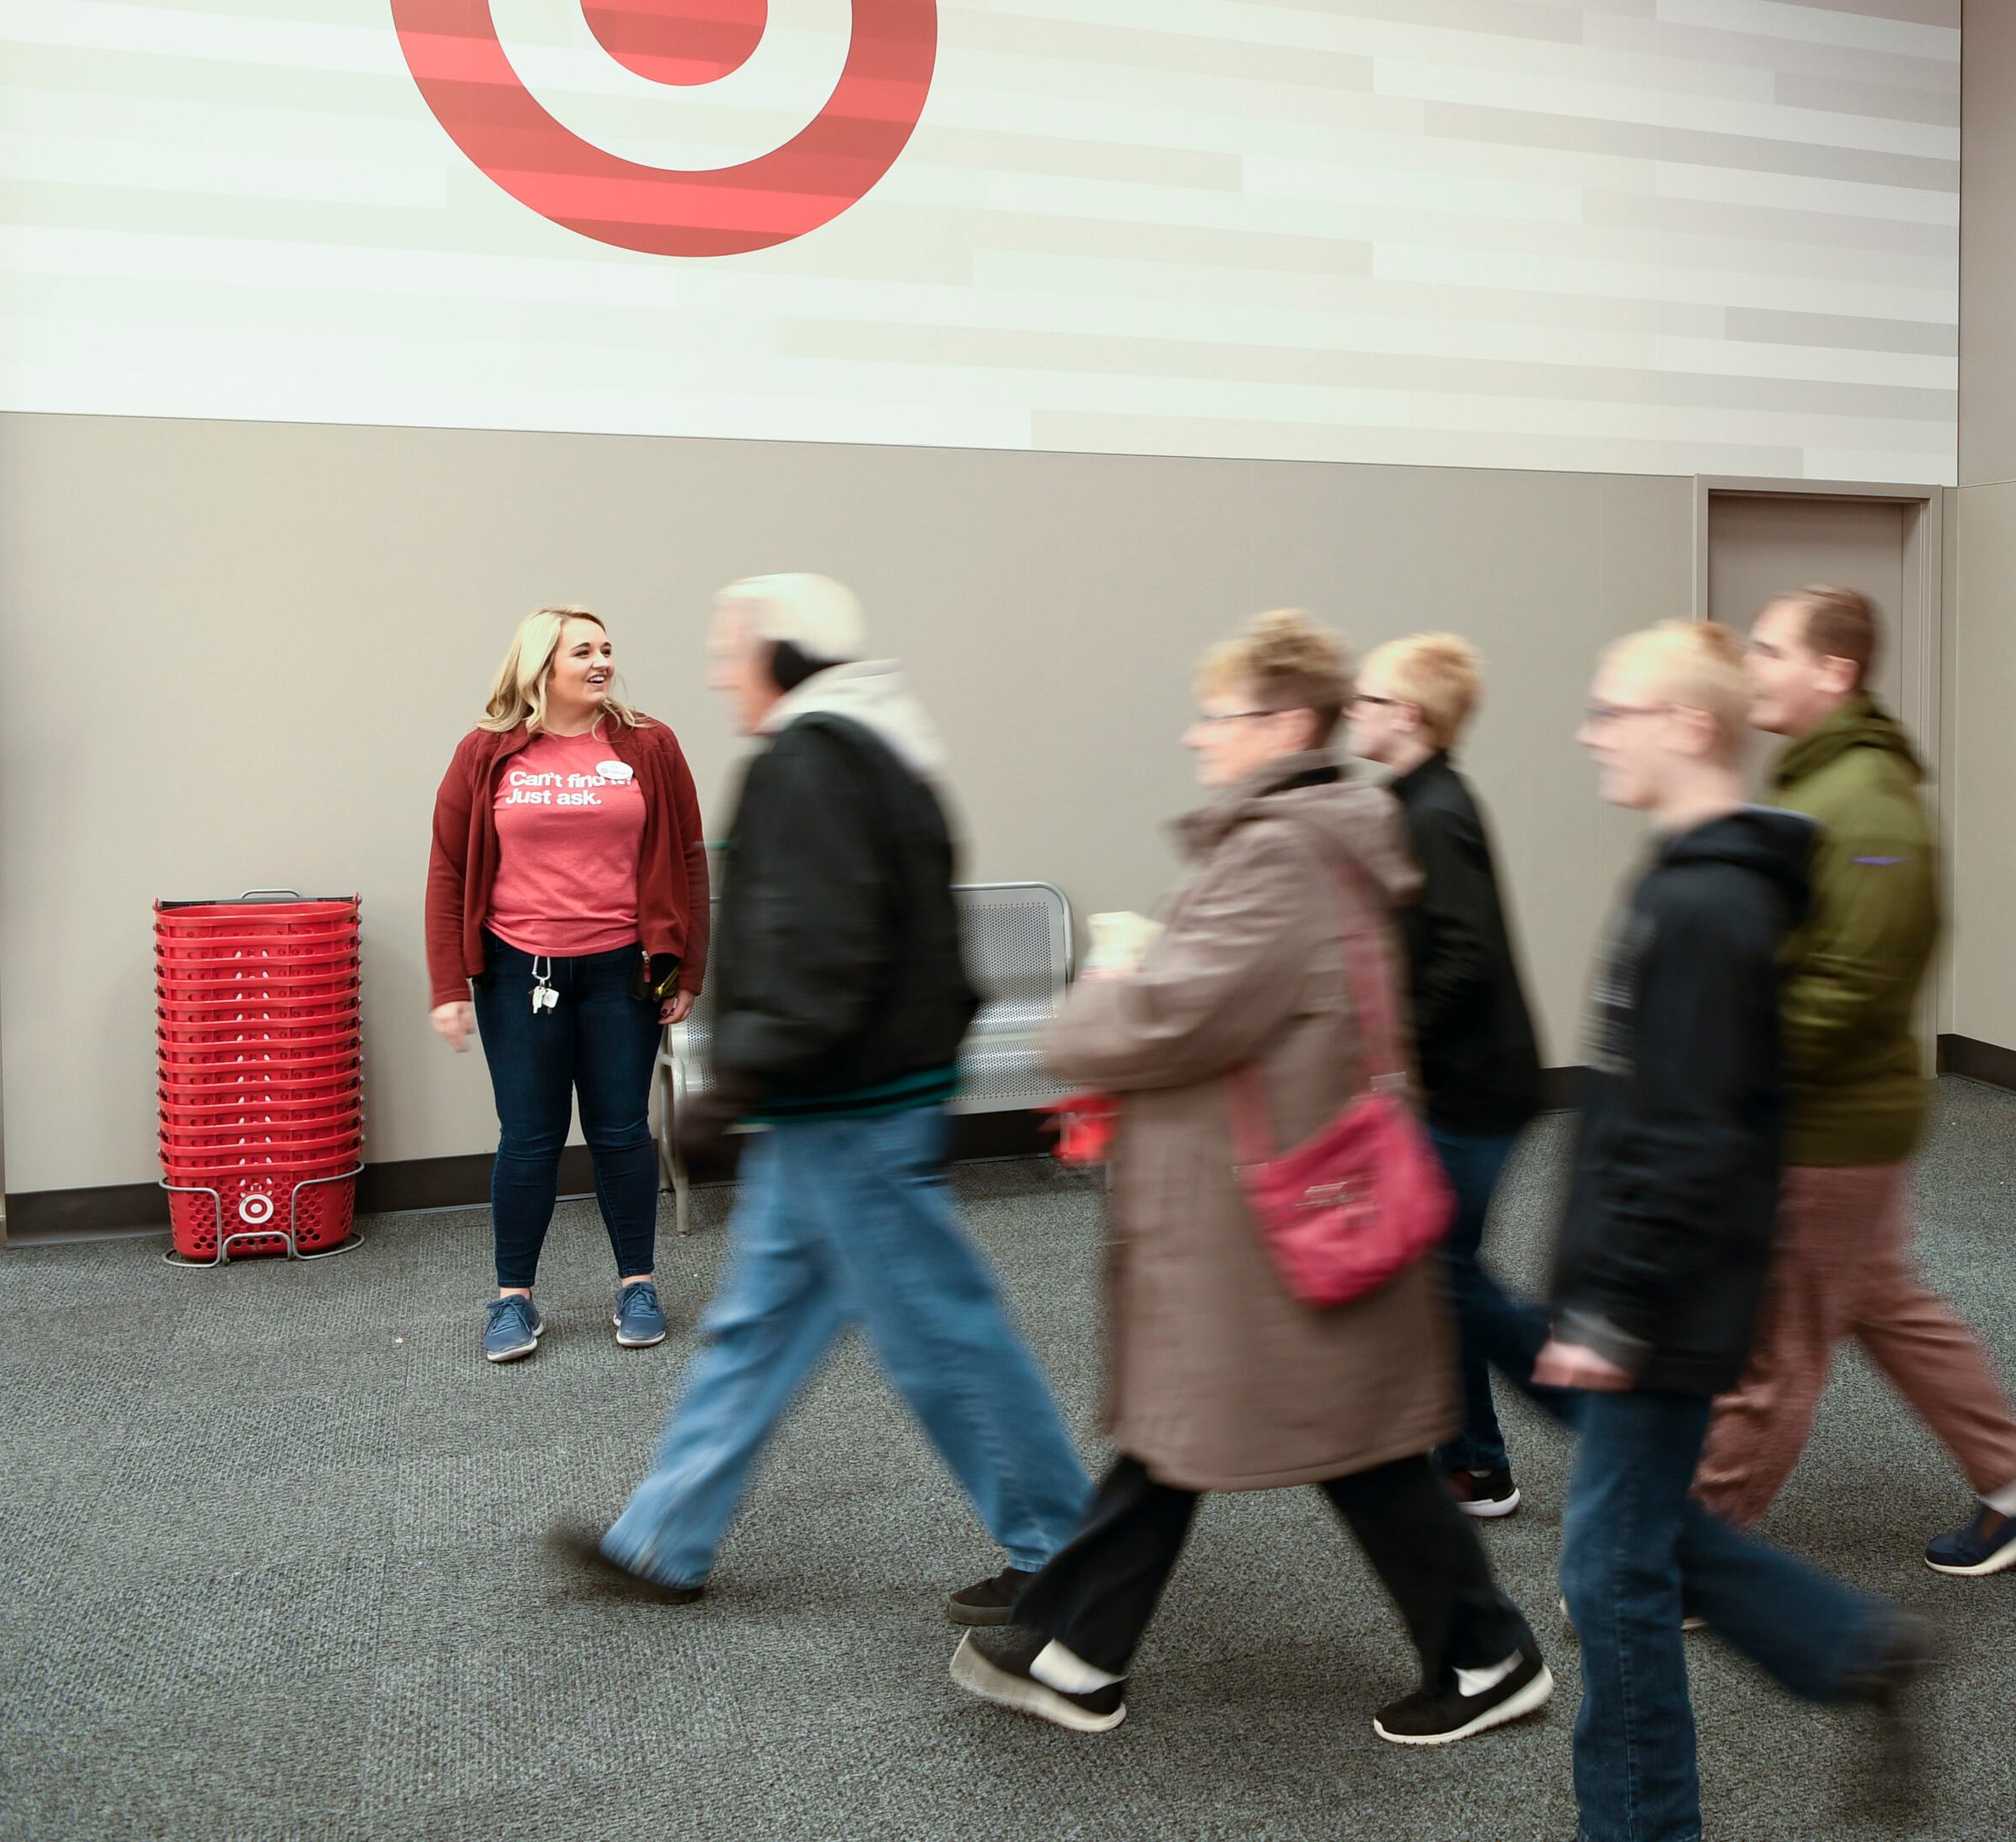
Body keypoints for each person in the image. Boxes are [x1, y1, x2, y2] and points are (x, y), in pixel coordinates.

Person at [952, 610, 1550, 1748]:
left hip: (1257, 1209)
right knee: (1256, 1432)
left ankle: (1482, 1654)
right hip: (1266, 1195)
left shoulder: (1279, 850)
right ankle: (1082, 1651)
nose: (1195, 738)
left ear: (1283, 725)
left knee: (1248, 1432)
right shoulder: (1314, 836)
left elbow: (1168, 1020)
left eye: (1215, 717)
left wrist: (1105, 983)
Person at [551, 576, 1095, 1611]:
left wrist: (736, 1083)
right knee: (758, 1325)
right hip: (844, 1101)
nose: (720, 672)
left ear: (781, 656)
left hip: (849, 1105)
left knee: (941, 1332)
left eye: (730, 651)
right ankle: (663, 1537)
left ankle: (1064, 1548)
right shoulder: (876, 745)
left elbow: (821, 947)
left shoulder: (812, 761)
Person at [1545, 617, 1935, 1842]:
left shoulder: (1711, 905)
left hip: (1664, 1300)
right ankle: (1849, 1647)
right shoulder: (1687, 881)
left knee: (1611, 1575)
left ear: (1688, 728)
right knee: (1635, 1544)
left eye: (1614, 711)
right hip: (1653, 1284)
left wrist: (1616, 1309)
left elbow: (1695, 1134)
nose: (1590, 733)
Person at [1692, 586, 2016, 1578]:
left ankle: (1688, 1558)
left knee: (1774, 1352)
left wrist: (1734, 1069)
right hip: (1833, 1113)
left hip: (1827, 1123)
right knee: (1884, 1301)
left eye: (1771, 649)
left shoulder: (1864, 799)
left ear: (1836, 671)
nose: (1753, 667)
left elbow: (1852, 986)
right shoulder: (1817, 780)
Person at [425, 607, 707, 1364]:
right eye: (583, 650)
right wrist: (450, 983)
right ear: (541, 666)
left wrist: (683, 973)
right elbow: (449, 870)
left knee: (621, 1132)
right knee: (529, 1138)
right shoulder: (485, 752)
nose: (602, 661)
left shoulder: (649, 744)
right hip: (520, 972)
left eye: (608, 648)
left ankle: (637, 1284)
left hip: (625, 972)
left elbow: (686, 858)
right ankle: (512, 1298)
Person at [1348, 632, 1550, 1521]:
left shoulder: (1435, 811)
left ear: (1410, 715)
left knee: (1446, 1274)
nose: (1353, 710)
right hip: (1457, 1082)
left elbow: (1464, 952)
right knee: (1441, 1270)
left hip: (1475, 1088)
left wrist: (1398, 1052)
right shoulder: (1413, 799)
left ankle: (1578, 1418)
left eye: (1367, 698)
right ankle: (1472, 1461)